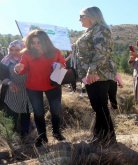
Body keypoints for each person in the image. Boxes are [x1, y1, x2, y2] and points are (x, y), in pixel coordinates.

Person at [14, 29, 66, 147]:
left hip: (53, 85)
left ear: (45, 41)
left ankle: (57, 133)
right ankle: (42, 137)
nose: (36, 45)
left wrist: (60, 65)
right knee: (38, 112)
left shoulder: (55, 52)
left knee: (55, 110)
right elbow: (22, 70)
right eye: (33, 43)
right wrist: (18, 69)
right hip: (33, 87)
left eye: (39, 42)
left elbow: (63, 64)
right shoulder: (27, 54)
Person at [74, 6, 116, 146]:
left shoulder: (101, 29)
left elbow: (101, 52)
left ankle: (107, 139)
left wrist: (92, 71)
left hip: (98, 73)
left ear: (91, 16)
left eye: (81, 16)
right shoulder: (91, 30)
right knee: (98, 106)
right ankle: (100, 136)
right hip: (92, 73)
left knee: (100, 106)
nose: (79, 19)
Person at [0, 40, 32, 139]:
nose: (13, 52)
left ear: (23, 49)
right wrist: (10, 83)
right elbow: (2, 77)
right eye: (11, 49)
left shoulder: (29, 59)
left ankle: (25, 135)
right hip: (12, 91)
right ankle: (11, 136)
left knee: (25, 113)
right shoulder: (5, 61)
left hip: (27, 90)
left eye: (17, 50)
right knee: (11, 114)